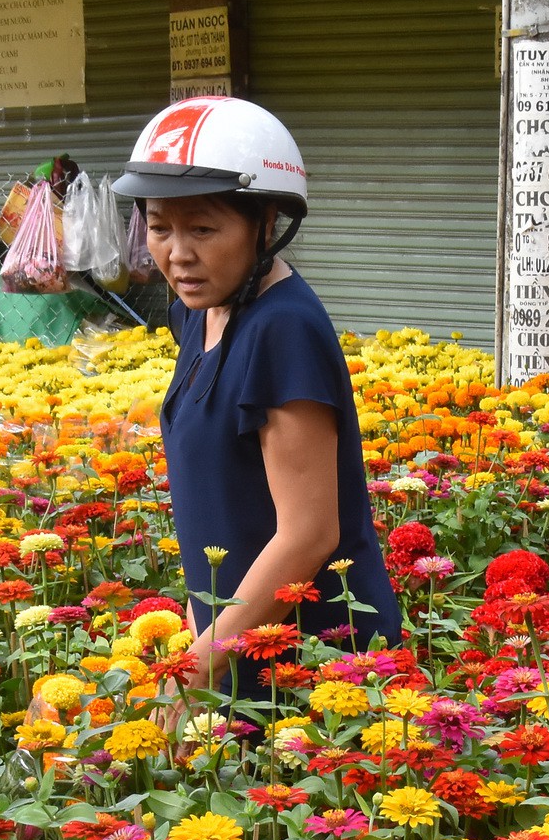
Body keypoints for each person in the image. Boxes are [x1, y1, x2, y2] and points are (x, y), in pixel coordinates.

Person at [114, 97, 402, 705]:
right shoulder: (200, 309)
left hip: (314, 669)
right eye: (160, 227)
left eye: (203, 229)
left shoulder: (283, 330)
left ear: (264, 224)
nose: (178, 253)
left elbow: (309, 532)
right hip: (236, 643)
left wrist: (197, 666)